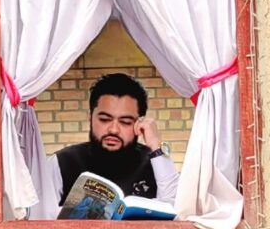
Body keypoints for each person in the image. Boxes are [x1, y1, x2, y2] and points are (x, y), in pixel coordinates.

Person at [41, 73, 179, 219]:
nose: (113, 130)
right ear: (90, 117)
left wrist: (156, 147)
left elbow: (175, 210)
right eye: (104, 119)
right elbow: (41, 217)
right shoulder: (61, 162)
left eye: (125, 122)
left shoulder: (154, 162)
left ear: (140, 123)